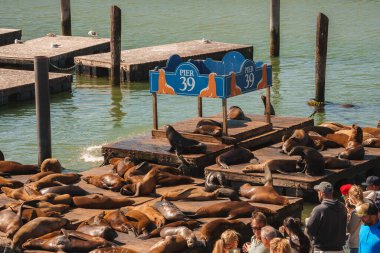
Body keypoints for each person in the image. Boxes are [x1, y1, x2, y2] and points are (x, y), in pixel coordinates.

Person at [306, 181, 347, 252]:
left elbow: (310, 230)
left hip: (323, 249)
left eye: (318, 192)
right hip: (339, 250)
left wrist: (307, 222)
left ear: (321, 193)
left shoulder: (319, 209)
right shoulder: (342, 207)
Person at [346, 185, 365, 253]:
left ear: (351, 197)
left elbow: (350, 229)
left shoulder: (357, 211)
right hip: (365, 241)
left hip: (356, 245)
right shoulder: (368, 205)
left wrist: (347, 219)